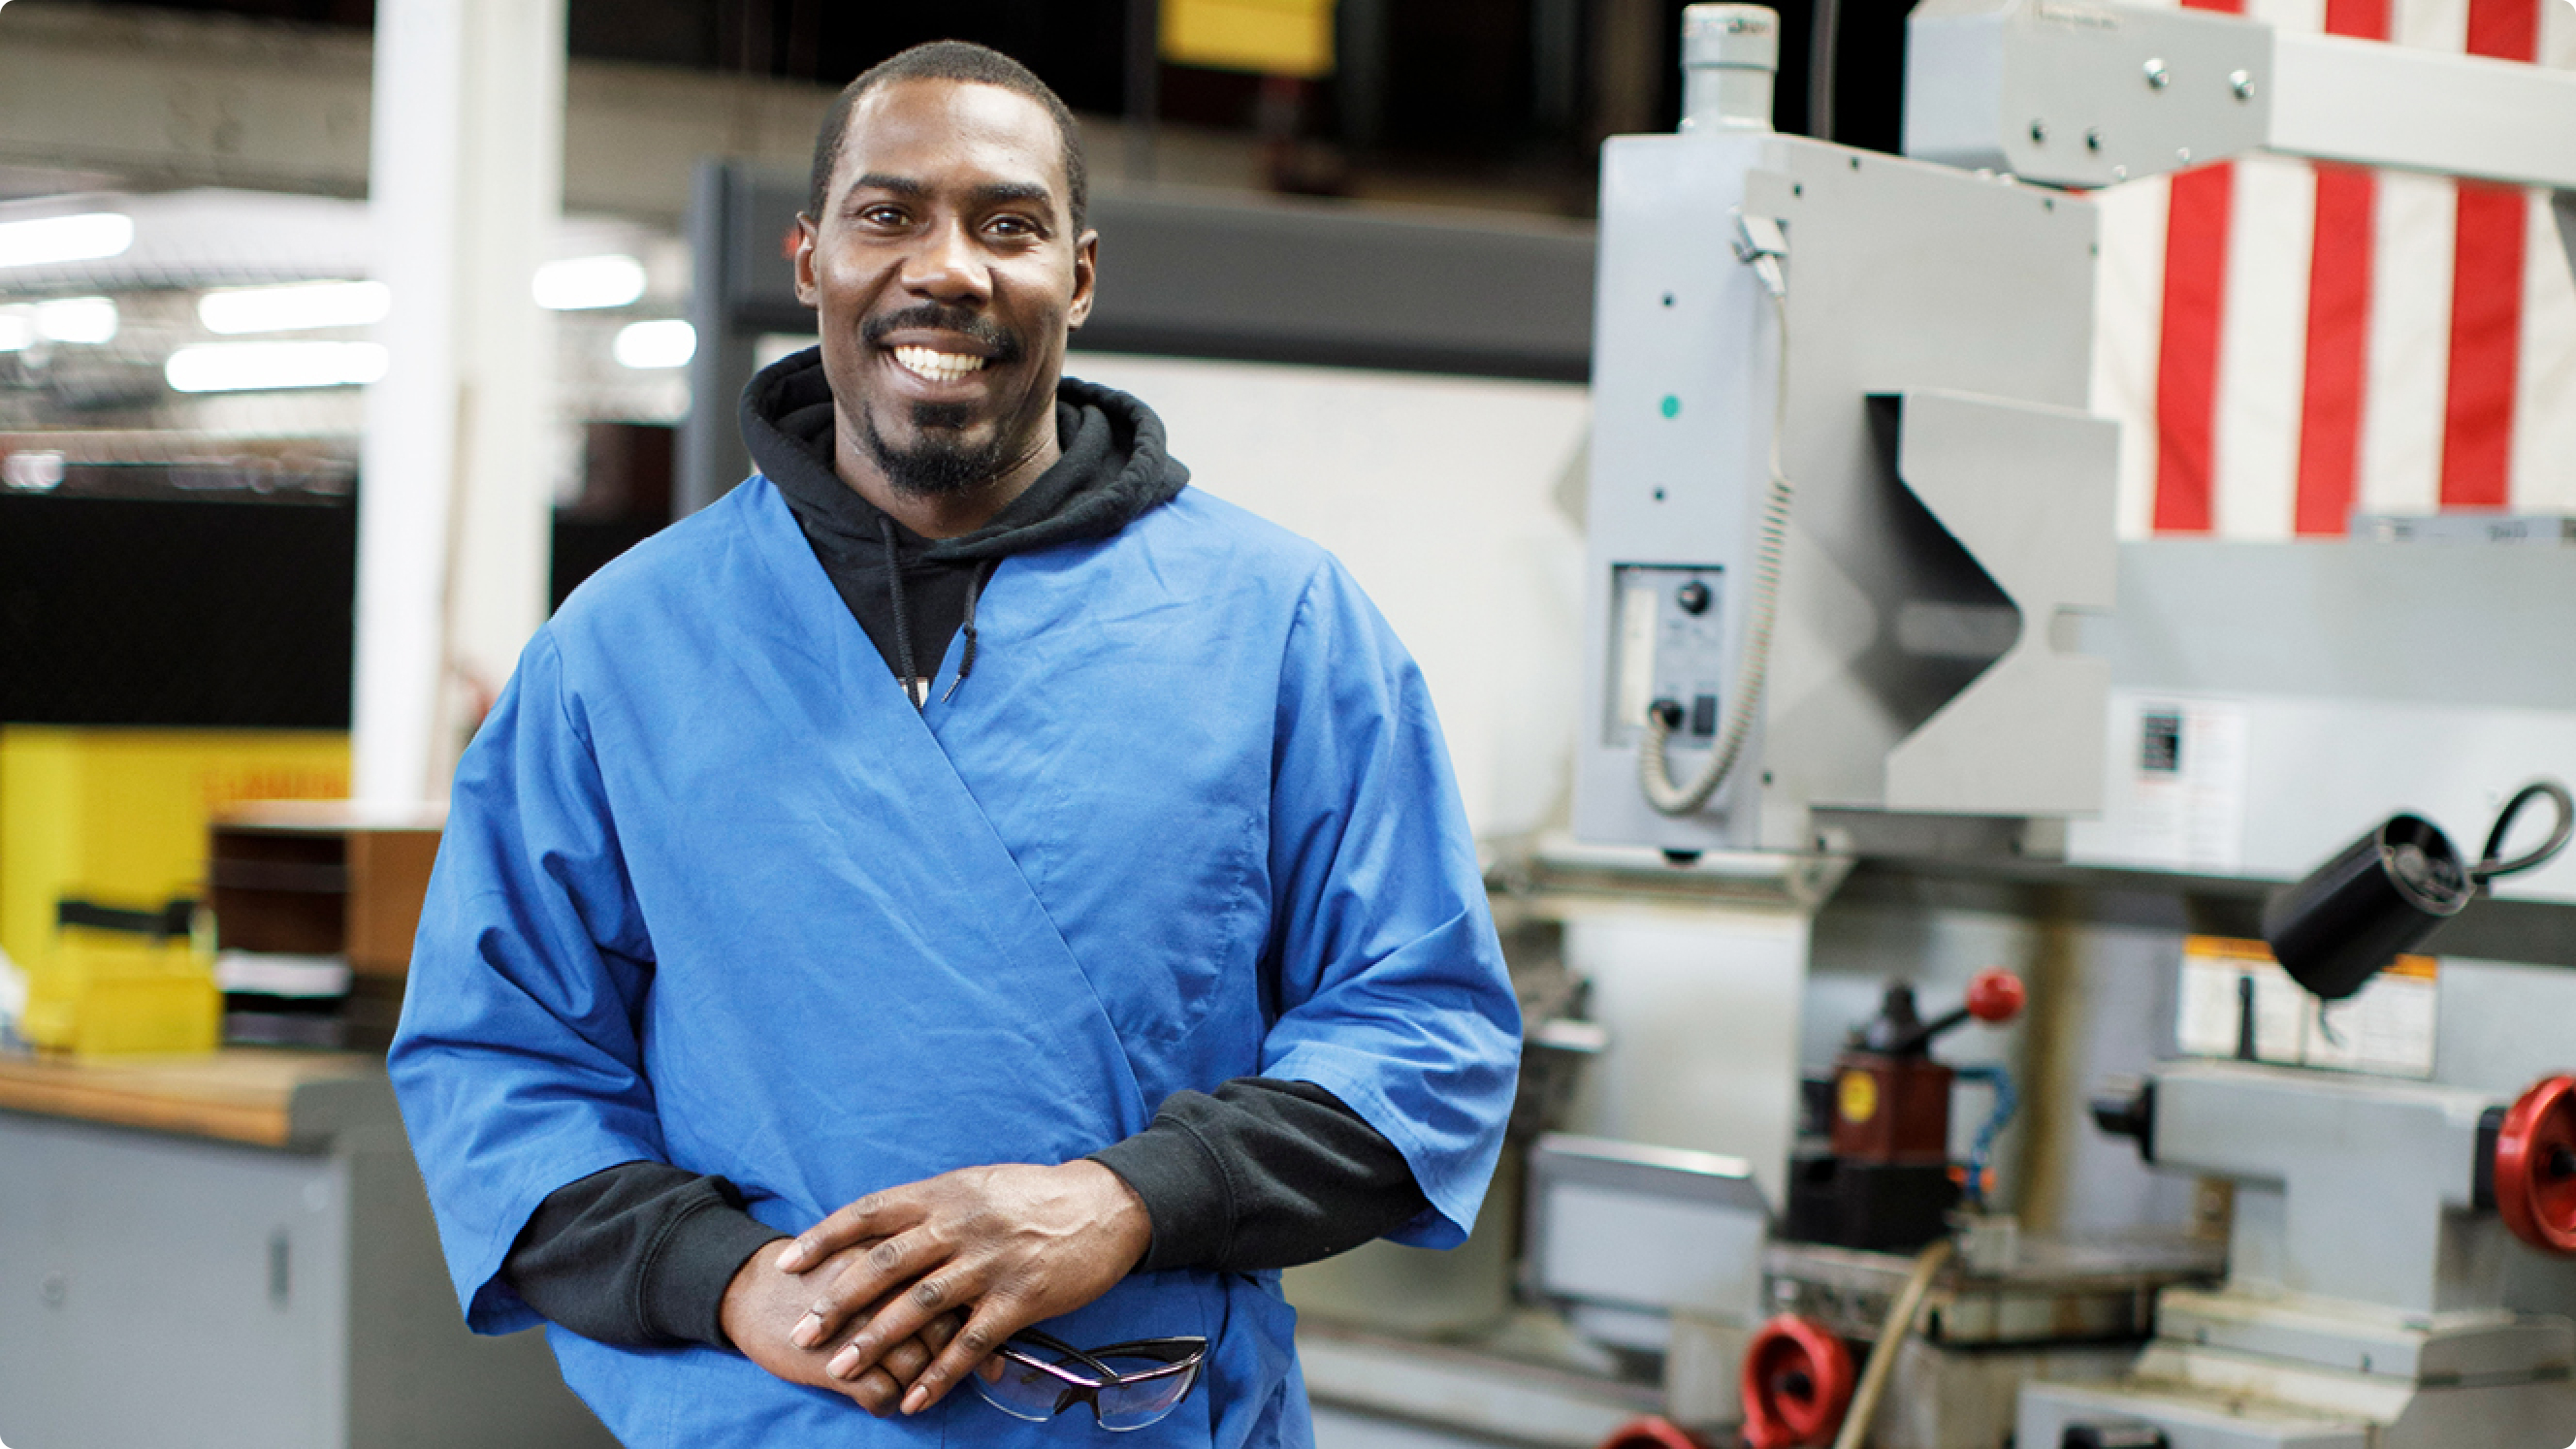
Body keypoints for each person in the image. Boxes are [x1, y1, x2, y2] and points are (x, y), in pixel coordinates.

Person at [388, 39, 1520, 1449]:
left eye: (1007, 224)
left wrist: (1124, 1201)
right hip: (766, 1422)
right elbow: (499, 1060)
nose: (948, 269)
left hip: (1156, 1417)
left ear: (1081, 276)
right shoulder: (621, 649)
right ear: (810, 259)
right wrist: (728, 1281)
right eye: (888, 214)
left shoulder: (1279, 623)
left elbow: (1425, 1028)